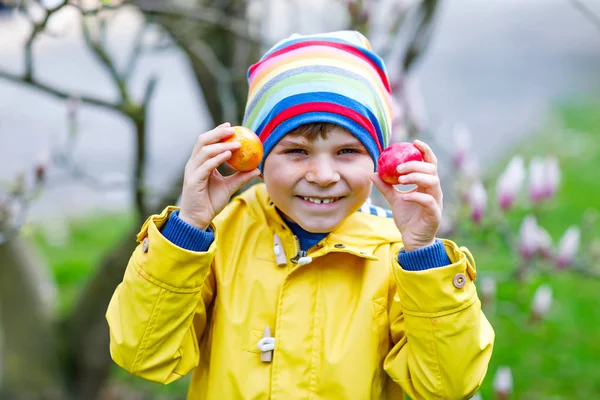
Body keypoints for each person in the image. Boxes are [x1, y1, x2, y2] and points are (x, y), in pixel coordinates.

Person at [106, 30, 494, 399]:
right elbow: (143, 354)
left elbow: (448, 384)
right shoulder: (219, 236)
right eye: (296, 151)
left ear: (379, 160)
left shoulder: (399, 255)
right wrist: (187, 229)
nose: (323, 176)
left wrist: (424, 252)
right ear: (256, 158)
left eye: (348, 152)